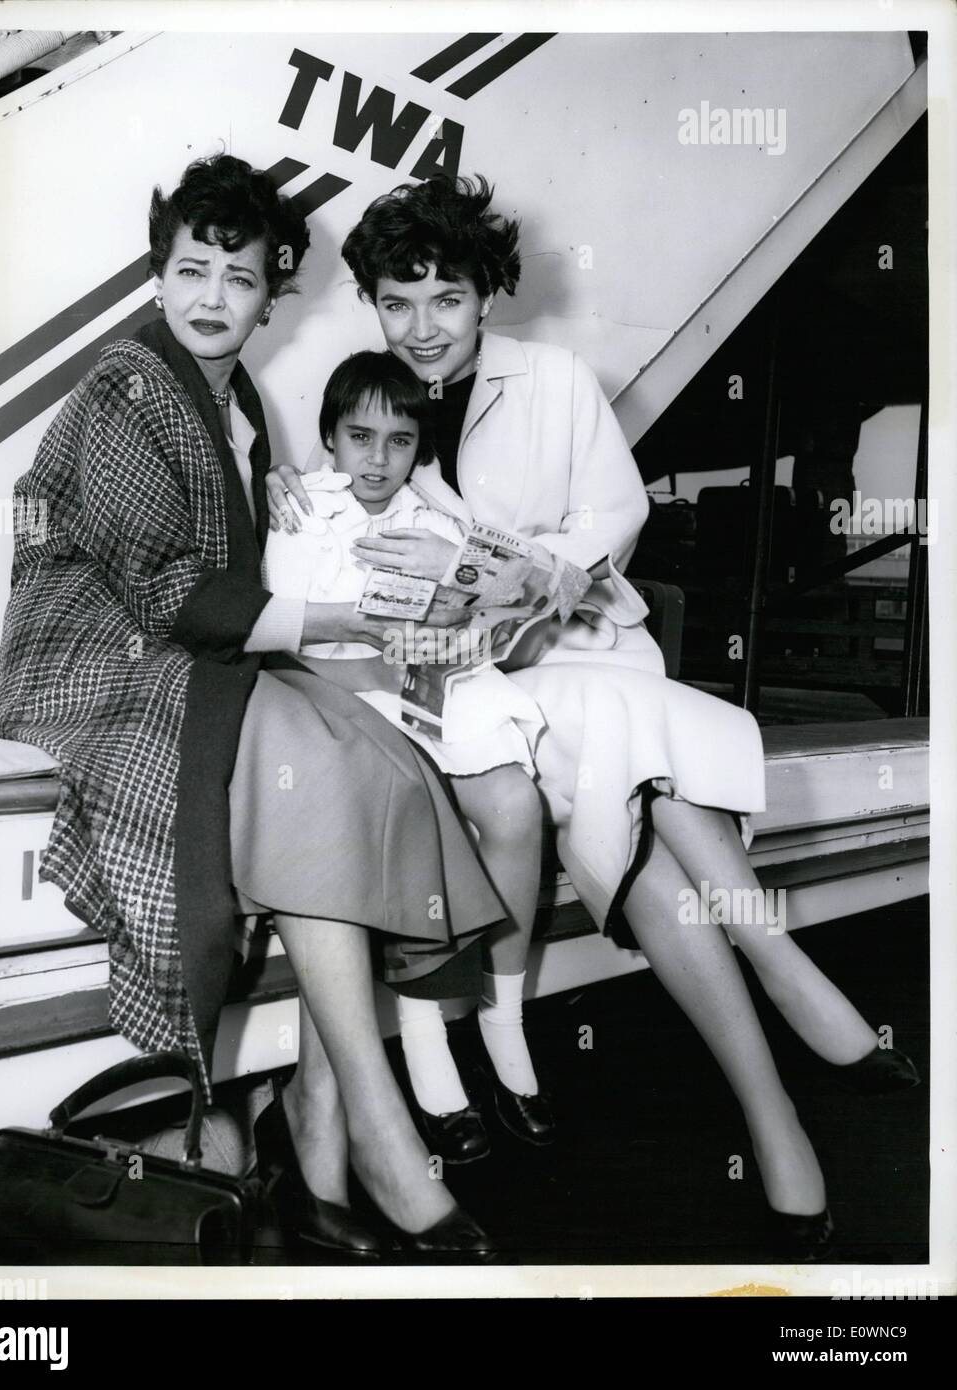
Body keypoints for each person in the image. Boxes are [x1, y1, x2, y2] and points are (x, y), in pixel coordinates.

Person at [268, 174, 919, 1255]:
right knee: (640, 771)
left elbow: (610, 516)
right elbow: (328, 508)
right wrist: (300, 497)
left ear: (487, 293)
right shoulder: (368, 407)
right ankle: (784, 1029)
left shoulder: (556, 380)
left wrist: (531, 576)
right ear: (374, 307)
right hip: (486, 693)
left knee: (627, 745)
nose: (423, 325)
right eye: (398, 301)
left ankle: (775, 1095)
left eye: (446, 297)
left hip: (580, 650)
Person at [0, 155, 512, 1259]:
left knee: (379, 756)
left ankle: (319, 1142)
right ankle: (369, 1133)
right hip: (99, 661)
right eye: (191, 270)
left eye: (237, 275)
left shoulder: (233, 397)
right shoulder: (129, 382)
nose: (212, 296)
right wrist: (342, 621)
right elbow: (173, 592)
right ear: (159, 274)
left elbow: (229, 569)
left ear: (271, 290)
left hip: (190, 650)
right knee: (324, 766)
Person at [264, 350, 552, 1155]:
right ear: (330, 438)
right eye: (359, 437)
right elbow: (292, 640)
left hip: (436, 690)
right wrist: (390, 665)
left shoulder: (434, 515)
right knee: (414, 794)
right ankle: (427, 1047)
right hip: (346, 696)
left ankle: (505, 1021)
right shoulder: (302, 512)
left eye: (398, 441)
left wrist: (467, 625)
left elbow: (520, 598)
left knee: (513, 803)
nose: (377, 459)